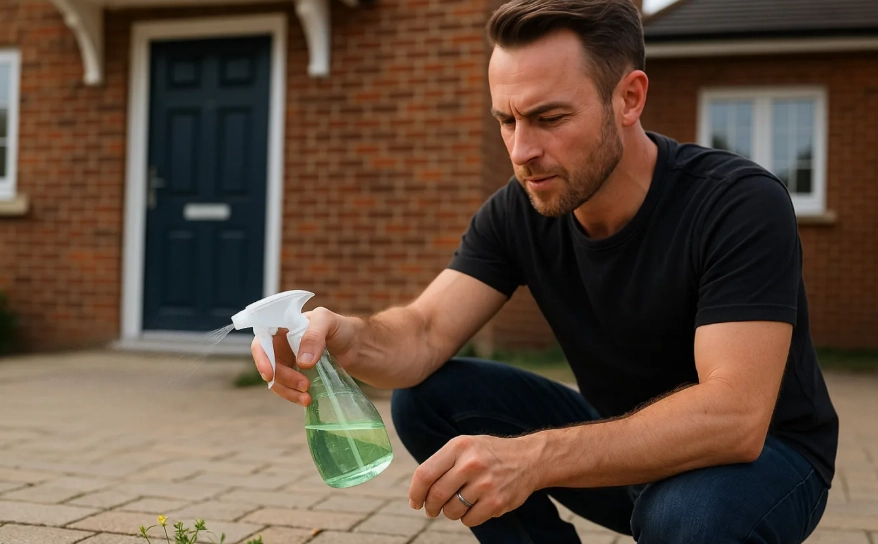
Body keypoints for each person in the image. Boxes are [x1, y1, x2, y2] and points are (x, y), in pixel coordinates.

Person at [250, 0, 839, 542]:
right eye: (506, 120)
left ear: (629, 98)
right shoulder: (520, 210)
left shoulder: (737, 203)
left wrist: (531, 459)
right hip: (622, 447)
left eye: (549, 117)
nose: (521, 151)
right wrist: (344, 336)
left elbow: (734, 418)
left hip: (763, 461)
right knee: (427, 398)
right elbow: (424, 332)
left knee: (688, 517)